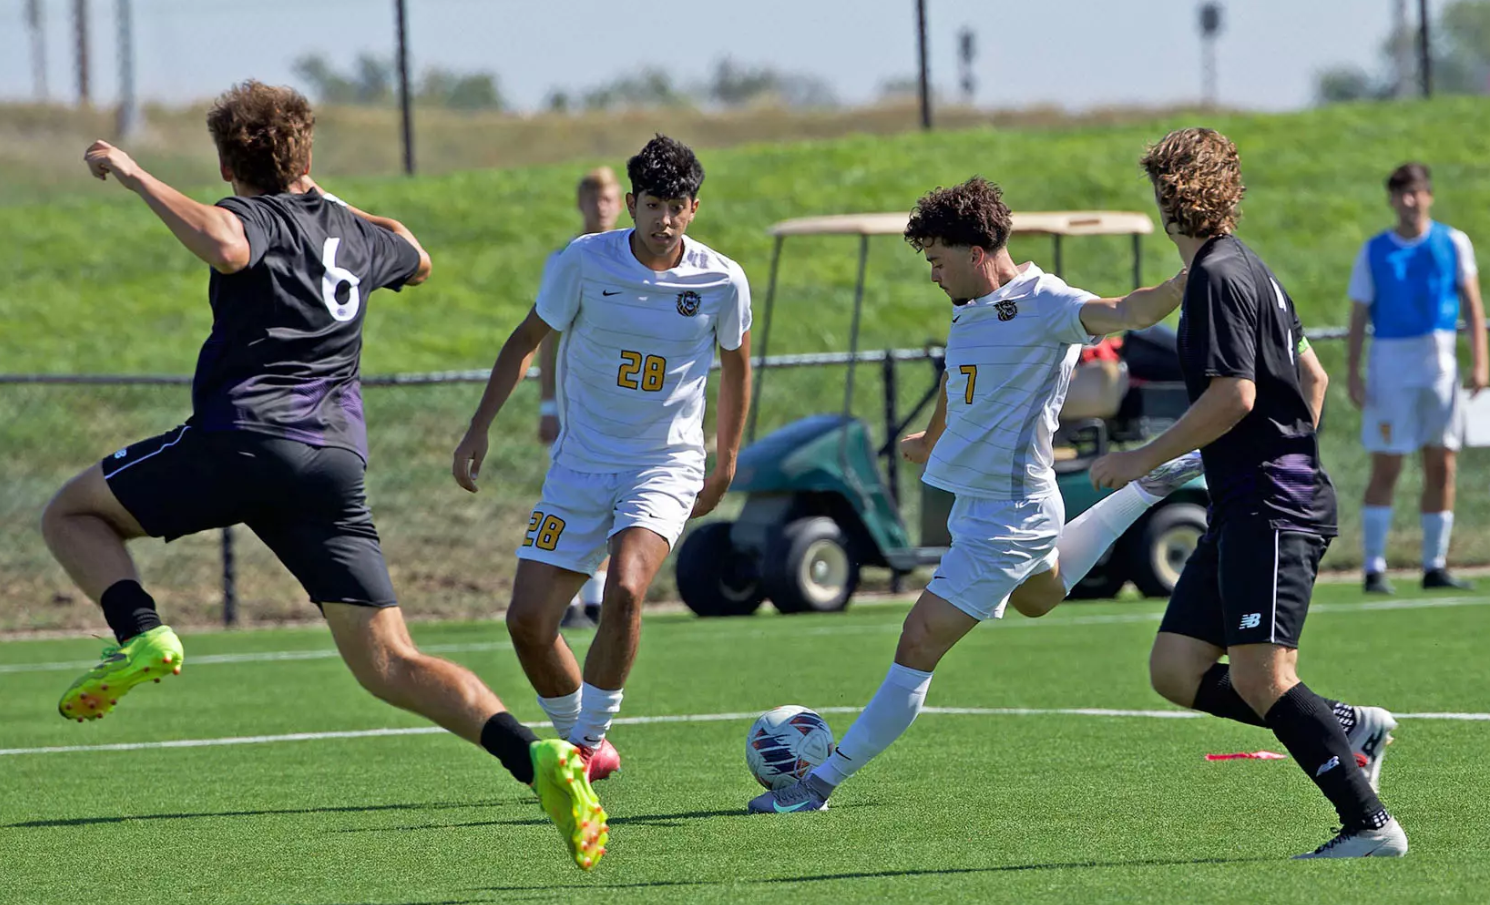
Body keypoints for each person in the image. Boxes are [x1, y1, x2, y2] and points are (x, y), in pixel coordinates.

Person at [44, 81, 606, 871]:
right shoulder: (350, 228)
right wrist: (322, 193)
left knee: (70, 513)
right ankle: (534, 756)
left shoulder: (250, 216)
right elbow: (419, 254)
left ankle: (140, 631)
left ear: (228, 167)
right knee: (392, 662)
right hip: (333, 465)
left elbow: (227, 243)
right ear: (307, 157)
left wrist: (136, 175)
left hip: (246, 439)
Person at [748, 176, 1208, 816]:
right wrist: (932, 439)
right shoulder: (969, 311)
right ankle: (1145, 489)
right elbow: (957, 377)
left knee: (917, 641)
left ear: (975, 250)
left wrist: (1189, 281)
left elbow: (1125, 311)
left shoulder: (1046, 302)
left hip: (1012, 512)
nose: (934, 275)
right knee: (1038, 597)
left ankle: (816, 785)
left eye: (938, 261)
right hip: (987, 508)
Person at [1094, 127, 1405, 858]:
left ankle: (1369, 823)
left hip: (1269, 504)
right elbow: (1314, 379)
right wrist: (1273, 452)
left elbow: (1233, 395)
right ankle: (1343, 724)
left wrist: (1144, 456)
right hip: (1250, 499)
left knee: (1264, 673)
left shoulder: (1215, 278)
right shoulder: (1251, 268)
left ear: (1170, 203)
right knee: (1175, 668)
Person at [453, 134, 751, 783]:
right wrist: (479, 427)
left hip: (664, 464)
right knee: (528, 621)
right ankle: (584, 740)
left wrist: (725, 458)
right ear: (634, 203)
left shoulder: (723, 281)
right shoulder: (584, 262)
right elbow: (526, 339)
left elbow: (737, 367)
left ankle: (585, 745)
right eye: (651, 204)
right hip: (581, 465)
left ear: (694, 208)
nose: (662, 219)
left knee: (623, 588)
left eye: (675, 205)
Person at [1346, 162, 1487, 594]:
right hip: (1391, 366)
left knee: (1442, 463)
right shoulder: (1374, 251)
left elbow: (1473, 307)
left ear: (1429, 195)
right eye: (1402, 193)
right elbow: (1358, 315)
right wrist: (1353, 372)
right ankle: (1373, 567)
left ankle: (1435, 565)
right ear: (1392, 199)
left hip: (1440, 365)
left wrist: (1480, 362)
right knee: (1387, 464)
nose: (1411, 201)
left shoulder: (1452, 242)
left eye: (1418, 192)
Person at [536, 167, 624, 629]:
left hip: (623, 408)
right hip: (577, 407)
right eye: (592, 197)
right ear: (581, 203)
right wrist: (548, 404)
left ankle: (596, 599)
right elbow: (546, 337)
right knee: (572, 500)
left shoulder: (638, 258)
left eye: (607, 196)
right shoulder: (565, 260)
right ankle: (565, 599)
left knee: (616, 503)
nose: (601, 205)